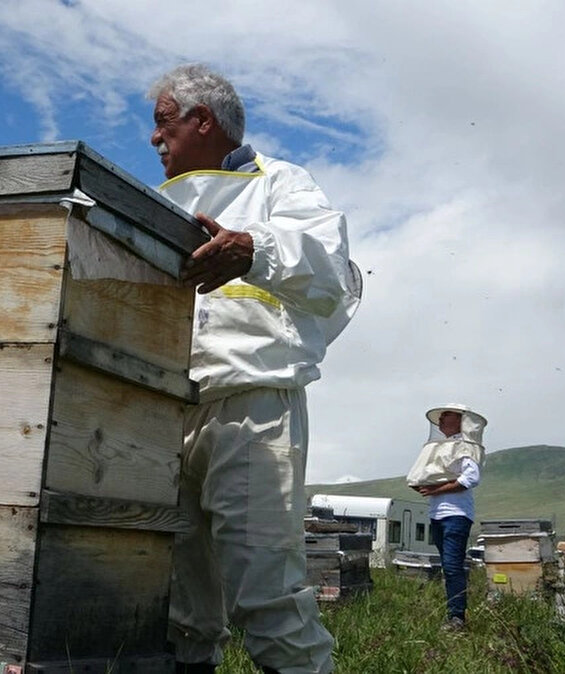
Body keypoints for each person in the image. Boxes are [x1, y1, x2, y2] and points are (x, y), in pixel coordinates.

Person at [148, 63, 362, 674]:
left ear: (203, 120)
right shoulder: (152, 202)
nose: (154, 139)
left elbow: (331, 274)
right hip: (163, 410)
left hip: (251, 406)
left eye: (164, 124)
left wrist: (253, 248)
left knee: (266, 596)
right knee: (180, 607)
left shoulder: (281, 184)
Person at [406, 404, 488, 630]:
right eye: (440, 417)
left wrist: (435, 490)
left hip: (456, 515)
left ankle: (457, 617)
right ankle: (455, 612)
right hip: (437, 516)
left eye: (446, 416)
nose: (441, 419)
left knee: (452, 567)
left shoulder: (466, 448)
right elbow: (419, 480)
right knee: (448, 566)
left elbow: (470, 479)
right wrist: (427, 489)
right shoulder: (439, 450)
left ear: (460, 420)